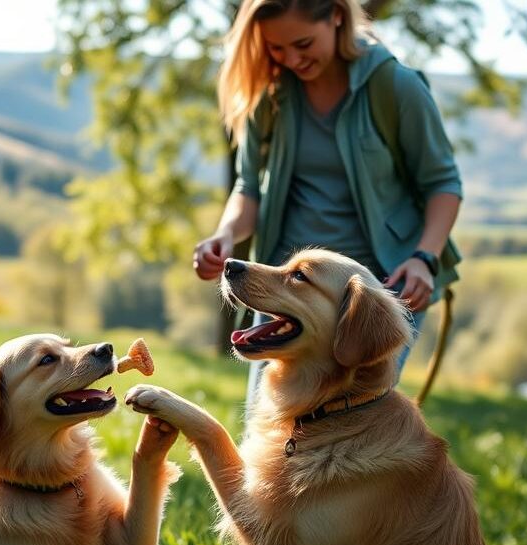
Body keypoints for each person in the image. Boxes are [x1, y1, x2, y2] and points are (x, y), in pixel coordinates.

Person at [193, 0, 463, 396]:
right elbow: (248, 186)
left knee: (351, 423)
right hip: (286, 288)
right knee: (266, 429)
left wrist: (425, 258)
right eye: (277, 48)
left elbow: (443, 183)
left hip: (376, 290)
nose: (291, 59)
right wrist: (226, 234)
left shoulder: (394, 86)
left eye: (303, 43)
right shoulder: (268, 94)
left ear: (337, 15)